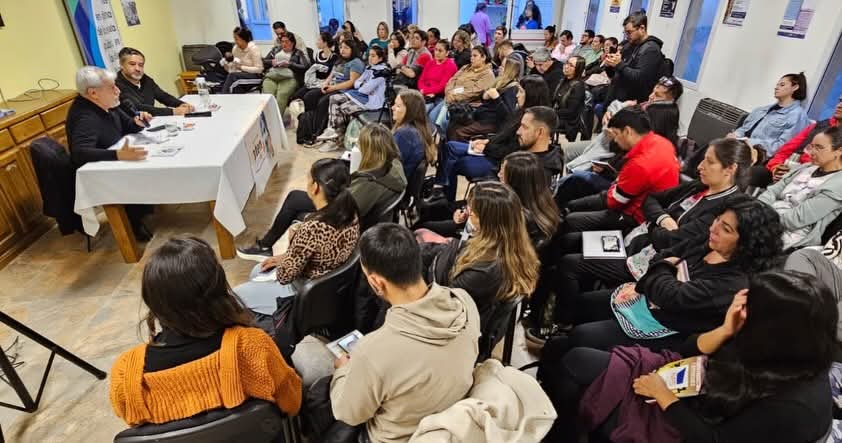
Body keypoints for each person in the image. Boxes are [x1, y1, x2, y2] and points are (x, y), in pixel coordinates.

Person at [541, 271, 835, 443]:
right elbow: (687, 350)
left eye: (749, 304)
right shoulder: (764, 342)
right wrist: (725, 330)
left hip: (690, 419)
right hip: (692, 385)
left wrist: (664, 395)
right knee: (572, 357)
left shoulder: (795, 404)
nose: (739, 306)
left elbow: (713, 439)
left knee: (576, 372)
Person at [539, 138, 755, 334]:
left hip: (647, 262)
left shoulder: (724, 209)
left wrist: (655, 224)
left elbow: (668, 242)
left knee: (571, 264)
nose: (700, 166)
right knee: (571, 242)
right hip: (637, 242)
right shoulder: (700, 186)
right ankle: (552, 309)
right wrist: (662, 220)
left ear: (729, 169)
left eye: (709, 162)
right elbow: (652, 200)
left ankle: (561, 324)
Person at [540, 197, 783, 362]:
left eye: (726, 228)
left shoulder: (734, 283)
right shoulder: (709, 243)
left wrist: (662, 275)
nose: (714, 228)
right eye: (718, 219)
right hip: (647, 300)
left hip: (667, 329)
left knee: (581, 339)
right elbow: (664, 257)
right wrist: (659, 277)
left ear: (748, 243)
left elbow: (673, 297)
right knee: (584, 304)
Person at [109, 237, 302, 426]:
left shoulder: (125, 374)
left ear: (152, 300)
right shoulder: (252, 345)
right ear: (218, 290)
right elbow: (291, 404)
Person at [317, 223, 480, 442]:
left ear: (376, 282)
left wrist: (342, 372)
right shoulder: (463, 302)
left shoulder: (374, 350)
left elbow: (349, 413)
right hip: (452, 422)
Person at [237, 124, 406, 260]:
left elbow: (345, 209)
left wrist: (330, 190)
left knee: (295, 201)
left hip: (345, 219)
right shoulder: (392, 166)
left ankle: (267, 246)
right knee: (297, 199)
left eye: (360, 145)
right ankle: (268, 246)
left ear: (369, 150)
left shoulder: (371, 181)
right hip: (359, 213)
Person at [234, 159, 360, 317]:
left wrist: (293, 245)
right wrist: (287, 256)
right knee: (257, 270)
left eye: (308, 180)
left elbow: (285, 276)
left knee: (235, 295)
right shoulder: (350, 212)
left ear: (315, 187)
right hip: (328, 283)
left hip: (305, 291)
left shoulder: (312, 228)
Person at [423, 182, 539, 330]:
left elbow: (443, 305)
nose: (469, 213)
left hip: (451, 323)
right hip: (449, 282)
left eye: (473, 212)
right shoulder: (511, 243)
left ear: (489, 221)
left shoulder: (485, 269)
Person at [66, 66, 153, 240]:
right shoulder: (85, 116)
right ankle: (132, 224)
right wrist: (118, 155)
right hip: (102, 174)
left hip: (118, 160)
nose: (117, 90)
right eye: (112, 87)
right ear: (93, 93)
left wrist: (139, 122)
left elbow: (128, 124)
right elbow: (80, 153)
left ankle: (144, 209)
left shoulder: (108, 105)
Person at [435, 77, 551, 201]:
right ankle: (441, 192)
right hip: (492, 149)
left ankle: (445, 198)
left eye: (521, 92)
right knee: (449, 147)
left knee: (453, 161)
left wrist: (486, 148)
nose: (517, 95)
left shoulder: (530, 123)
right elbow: (503, 134)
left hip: (497, 161)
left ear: (532, 95)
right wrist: (486, 142)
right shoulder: (520, 113)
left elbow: (511, 150)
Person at [758, 126, 842, 250]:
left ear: (839, 151)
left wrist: (759, 219)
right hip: (763, 216)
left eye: (819, 148)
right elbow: (772, 190)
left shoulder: (837, 184)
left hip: (791, 233)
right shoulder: (806, 167)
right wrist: (756, 210)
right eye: (811, 146)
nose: (812, 152)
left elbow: (797, 219)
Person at [756, 95, 842, 187]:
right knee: (752, 173)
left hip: (816, 181)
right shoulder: (817, 126)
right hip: (787, 171)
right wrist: (776, 167)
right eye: (840, 101)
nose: (839, 105)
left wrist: (796, 174)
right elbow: (785, 151)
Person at [315, 46, 389, 152]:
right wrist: (363, 84)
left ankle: (336, 138)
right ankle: (332, 129)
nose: (370, 58)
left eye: (373, 56)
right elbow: (357, 83)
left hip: (372, 101)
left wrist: (363, 85)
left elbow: (364, 89)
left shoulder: (382, 72)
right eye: (369, 55)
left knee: (343, 107)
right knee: (334, 98)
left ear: (380, 58)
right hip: (362, 95)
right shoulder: (369, 68)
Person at [297, 37, 365, 147]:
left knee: (323, 101)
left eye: (346, 48)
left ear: (353, 49)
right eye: (341, 47)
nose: (342, 50)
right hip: (332, 86)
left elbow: (352, 83)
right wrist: (325, 84)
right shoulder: (340, 60)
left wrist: (332, 88)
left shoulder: (356, 63)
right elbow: (331, 75)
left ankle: (317, 134)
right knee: (309, 96)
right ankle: (309, 127)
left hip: (344, 90)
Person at [729, 73, 810, 157]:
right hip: (740, 148)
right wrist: (735, 135)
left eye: (782, 85)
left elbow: (782, 146)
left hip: (759, 155)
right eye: (777, 85)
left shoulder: (797, 116)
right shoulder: (761, 110)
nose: (776, 87)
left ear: (795, 87)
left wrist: (749, 142)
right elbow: (744, 128)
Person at [428, 45, 495, 131]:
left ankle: (443, 142)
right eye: (471, 56)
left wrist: (454, 97)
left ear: (483, 57)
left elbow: (474, 92)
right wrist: (449, 93)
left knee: (443, 122)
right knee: (431, 117)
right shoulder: (465, 68)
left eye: (475, 56)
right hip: (450, 99)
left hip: (466, 105)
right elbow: (451, 81)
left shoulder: (488, 74)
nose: (471, 58)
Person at [604, 12, 665, 103]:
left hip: (630, 102)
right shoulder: (628, 46)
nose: (626, 36)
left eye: (629, 32)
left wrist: (619, 64)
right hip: (615, 96)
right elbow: (614, 74)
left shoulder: (651, 50)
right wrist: (609, 65)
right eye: (625, 33)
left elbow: (640, 79)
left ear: (642, 28)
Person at [116, 47, 193, 116]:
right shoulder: (116, 85)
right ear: (121, 65)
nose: (137, 68)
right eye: (132, 64)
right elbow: (138, 107)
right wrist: (173, 111)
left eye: (141, 65)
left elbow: (163, 96)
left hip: (153, 121)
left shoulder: (145, 79)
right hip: (134, 127)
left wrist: (182, 104)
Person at [392, 89, 437, 183]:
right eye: (394, 104)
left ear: (410, 110)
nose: (393, 108)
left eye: (398, 106)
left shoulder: (404, 134)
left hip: (395, 185)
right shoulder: (418, 130)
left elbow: (390, 164)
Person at [261, 33, 311, 116]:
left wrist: (289, 64)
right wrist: (271, 62)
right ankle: (268, 118)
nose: (284, 44)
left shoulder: (298, 53)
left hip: (289, 79)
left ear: (292, 43)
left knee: (281, 95)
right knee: (268, 96)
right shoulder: (275, 50)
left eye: (287, 42)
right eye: (282, 42)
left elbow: (306, 66)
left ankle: (276, 119)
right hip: (272, 77)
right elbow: (264, 61)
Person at [221, 27, 264, 94]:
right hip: (241, 75)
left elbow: (259, 69)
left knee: (233, 76)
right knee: (235, 87)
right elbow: (233, 67)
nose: (235, 41)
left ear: (243, 39)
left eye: (236, 39)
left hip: (255, 76)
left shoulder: (254, 49)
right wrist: (226, 65)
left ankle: (223, 97)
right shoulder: (235, 49)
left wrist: (241, 67)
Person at [554, 55, 587, 142]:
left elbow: (570, 112)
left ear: (578, 69)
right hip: (559, 114)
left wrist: (551, 112)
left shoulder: (578, 86)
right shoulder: (563, 81)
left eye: (571, 65)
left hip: (569, 121)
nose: (566, 66)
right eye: (566, 63)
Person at [418, 39, 458, 109]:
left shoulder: (450, 66)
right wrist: (423, 90)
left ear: (447, 53)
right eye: (436, 50)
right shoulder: (430, 63)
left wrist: (425, 91)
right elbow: (421, 80)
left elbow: (442, 87)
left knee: (424, 110)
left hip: (439, 97)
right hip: (424, 94)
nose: (437, 53)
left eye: (440, 51)